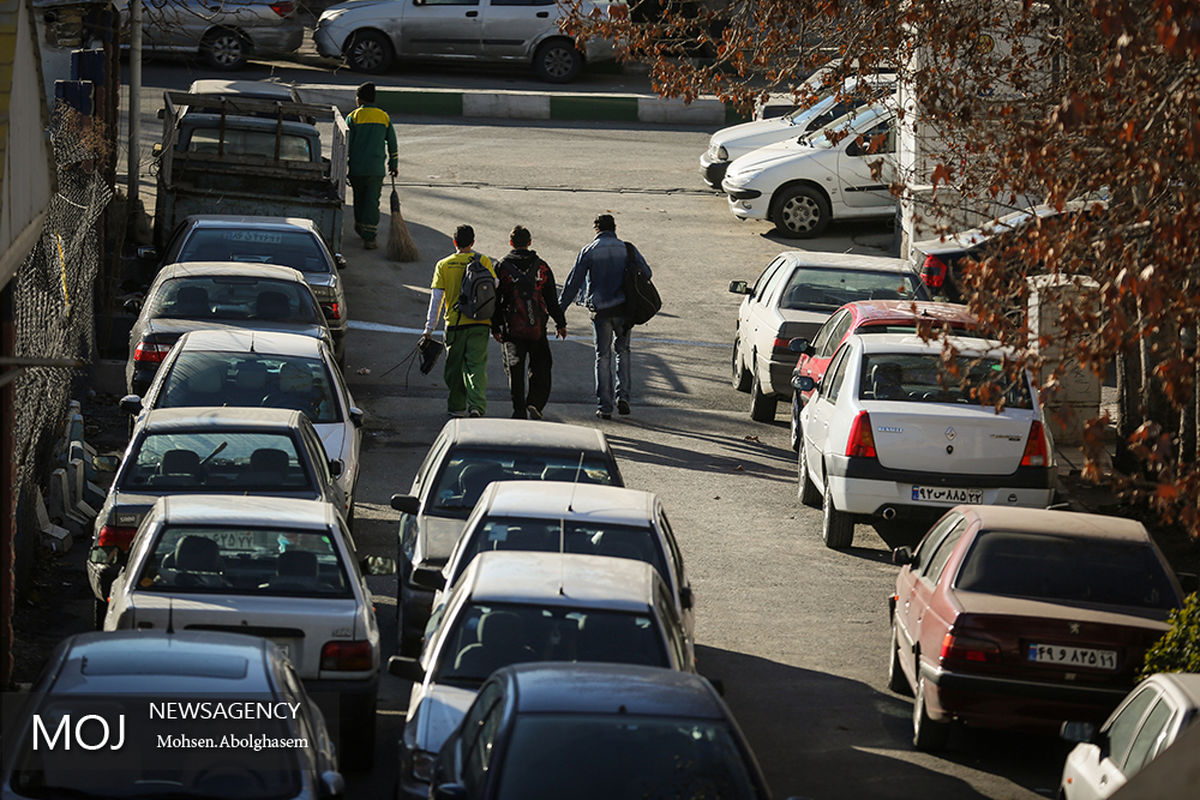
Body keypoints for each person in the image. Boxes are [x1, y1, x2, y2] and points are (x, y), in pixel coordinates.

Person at [559, 214, 651, 420]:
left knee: (602, 357)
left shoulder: (589, 251)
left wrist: (560, 312)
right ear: (614, 228)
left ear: (596, 229)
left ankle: (604, 406)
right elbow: (647, 273)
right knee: (623, 352)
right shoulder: (628, 249)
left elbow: (573, 284)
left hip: (600, 312)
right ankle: (624, 396)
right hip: (625, 311)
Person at [492, 225, 567, 420]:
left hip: (511, 327)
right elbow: (551, 297)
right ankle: (535, 401)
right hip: (537, 326)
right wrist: (560, 322)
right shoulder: (541, 266)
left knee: (515, 367)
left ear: (511, 243)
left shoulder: (501, 266)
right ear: (530, 242)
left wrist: (495, 325)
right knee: (541, 364)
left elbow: (495, 298)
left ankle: (518, 410)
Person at [421, 225, 497, 417]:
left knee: (454, 368)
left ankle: (456, 406)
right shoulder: (484, 261)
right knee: (476, 366)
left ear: (454, 242)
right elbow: (495, 285)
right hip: (480, 322)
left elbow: (437, 299)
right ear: (473, 242)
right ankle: (477, 406)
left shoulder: (444, 265)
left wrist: (428, 329)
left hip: (455, 325)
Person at [346, 82, 398, 250]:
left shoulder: (354, 117)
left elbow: (346, 143)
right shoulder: (384, 117)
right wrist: (393, 164)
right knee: (372, 202)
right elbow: (392, 143)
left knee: (359, 198)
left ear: (359, 99)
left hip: (357, 169)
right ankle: (370, 237)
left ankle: (360, 226)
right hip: (376, 169)